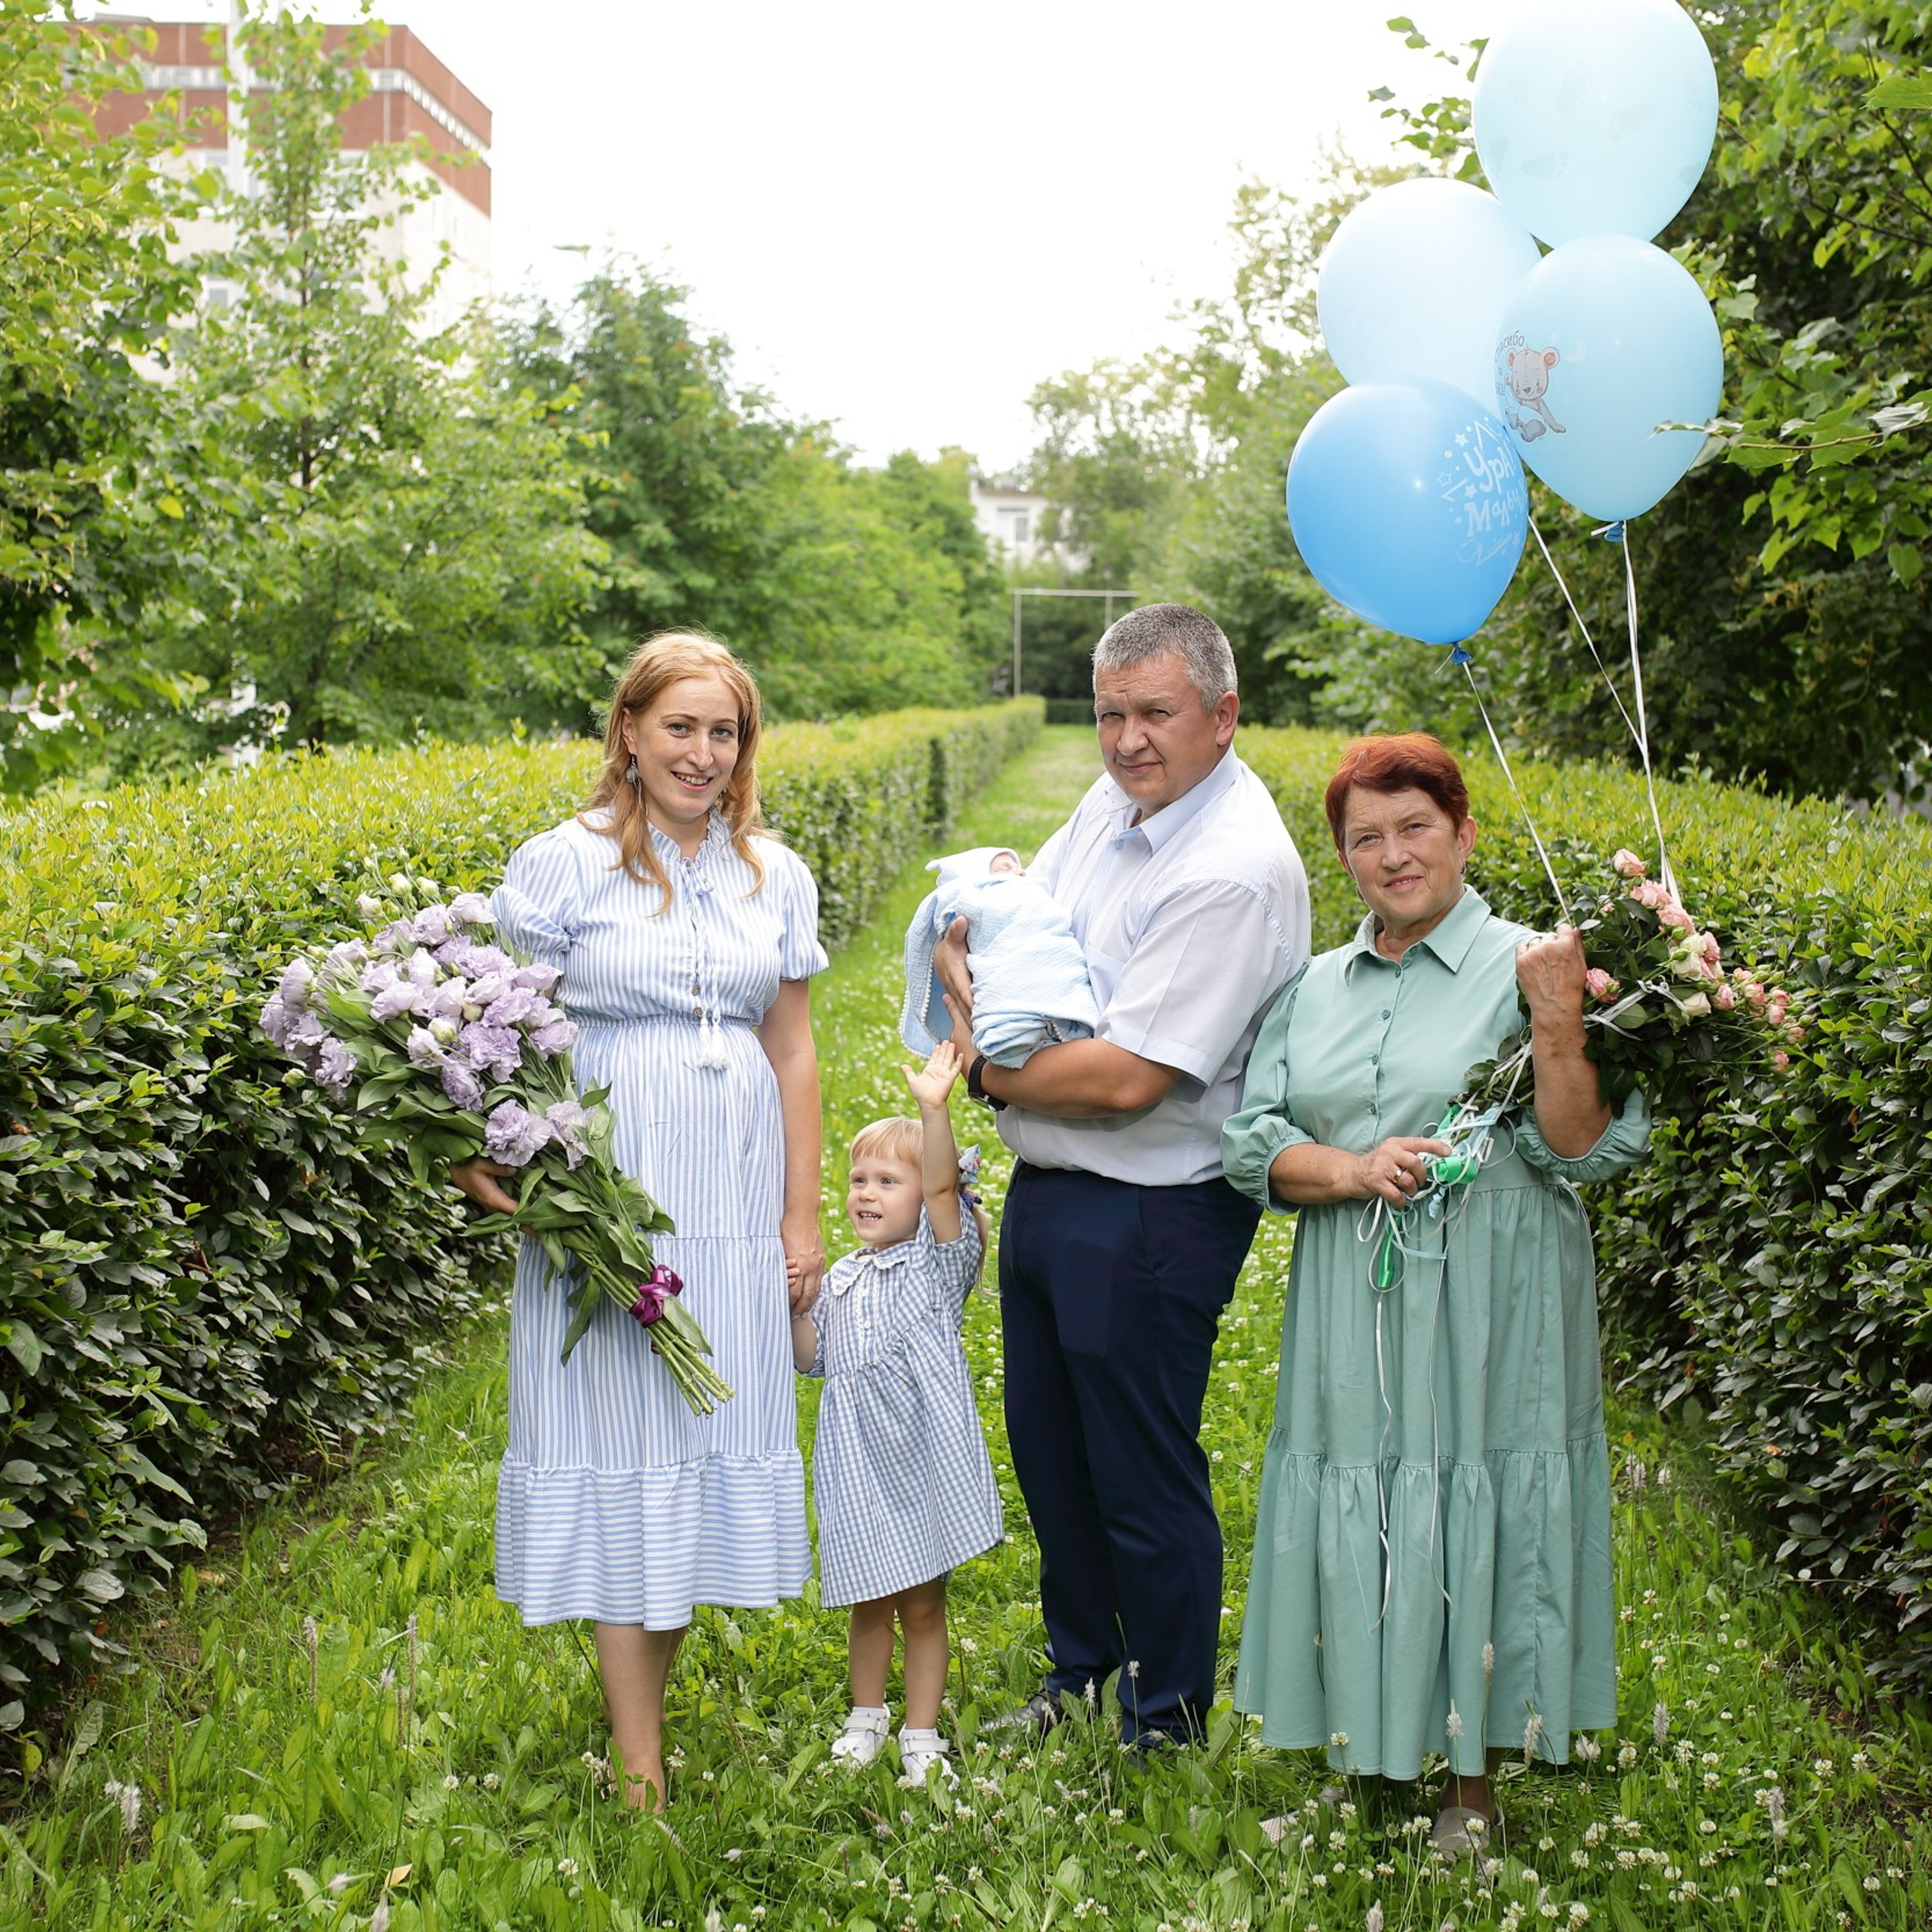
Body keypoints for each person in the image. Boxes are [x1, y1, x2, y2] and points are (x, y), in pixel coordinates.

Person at [1220, 733, 1650, 1851]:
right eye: (1366, 838)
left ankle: (1472, 1786)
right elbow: (1253, 1143)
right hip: (1350, 1291)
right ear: (1342, 859)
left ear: (1463, 832)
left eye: (1415, 827)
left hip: (1493, 1295)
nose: (1393, 855)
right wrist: (1350, 1168)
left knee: (1474, 1487)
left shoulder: (1536, 964)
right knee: (1360, 1490)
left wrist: (1556, 1021)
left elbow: (1583, 1149)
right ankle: (1366, 1745)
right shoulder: (1314, 987)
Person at [451, 631, 827, 1811]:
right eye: (679, 727)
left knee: (698, 1447)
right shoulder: (562, 865)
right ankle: (638, 1766)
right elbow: (490, 1032)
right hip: (613, 1190)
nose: (701, 754)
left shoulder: (774, 872)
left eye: (724, 732)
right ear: (628, 730)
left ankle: (643, 1718)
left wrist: (800, 1215)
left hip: (735, 1191)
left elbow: (792, 1047)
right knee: (627, 1441)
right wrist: (483, 1155)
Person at [936, 602, 1310, 1748]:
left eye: (1155, 713)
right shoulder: (1117, 802)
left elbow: (1126, 1078)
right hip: (1057, 1188)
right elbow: (1013, 927)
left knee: (1140, 1471)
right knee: (1056, 1460)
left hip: (1154, 1209)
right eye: (1110, 714)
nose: (1127, 740)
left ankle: (1167, 1715)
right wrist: (977, 976)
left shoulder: (1233, 868)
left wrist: (985, 1065)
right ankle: (1081, 1675)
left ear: (1224, 716)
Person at [792, 1040, 1002, 1785]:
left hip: (920, 1459)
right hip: (858, 1465)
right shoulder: (842, 1278)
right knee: (868, 1601)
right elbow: (812, 1357)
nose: (867, 1193)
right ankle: (865, 1717)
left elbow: (944, 1189)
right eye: (859, 1179)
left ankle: (920, 1731)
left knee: (922, 1605)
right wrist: (792, 1307)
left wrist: (933, 1109)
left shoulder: (937, 1263)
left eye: (888, 1180)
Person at [900, 844, 1098, 1066]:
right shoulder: (984, 899)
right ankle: (1012, 1027)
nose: (1021, 872)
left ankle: (1045, 1020)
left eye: (1018, 867)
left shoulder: (1031, 895)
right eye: (1005, 869)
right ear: (977, 882)